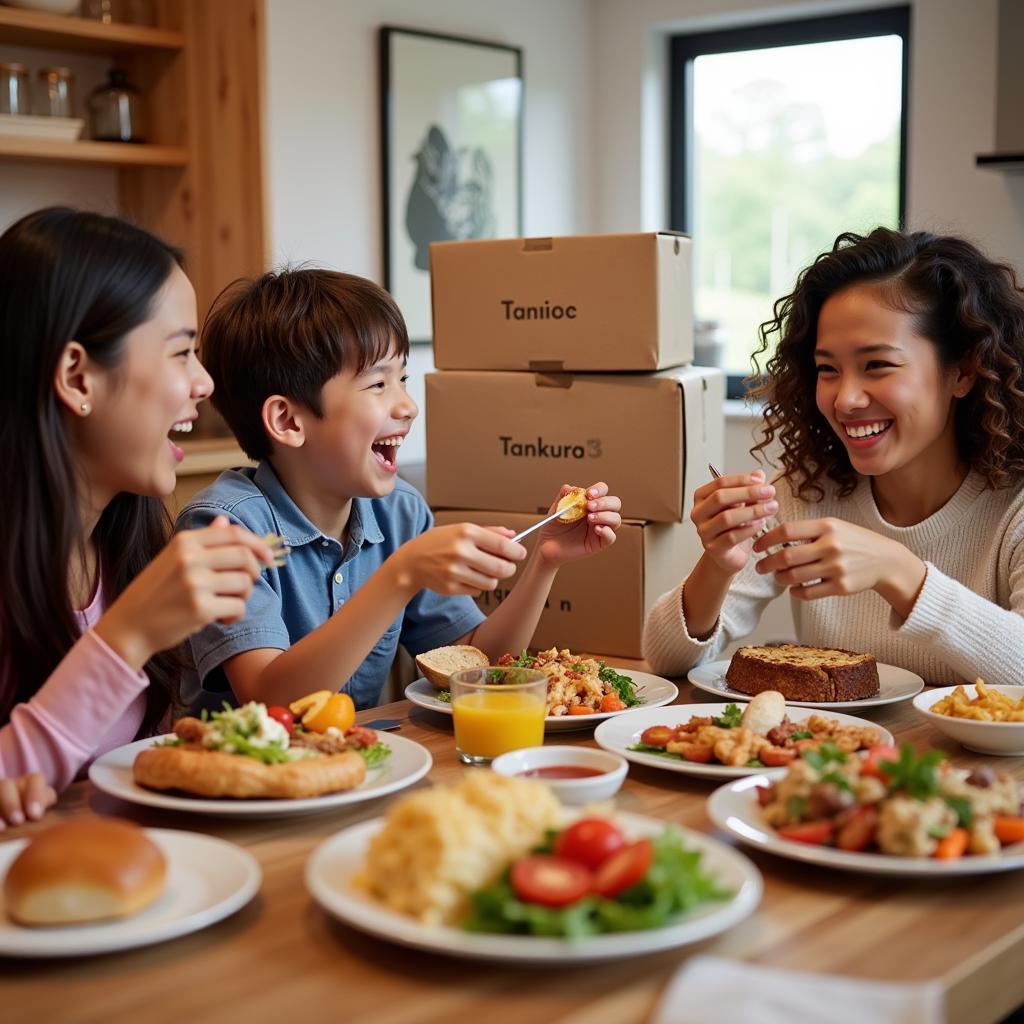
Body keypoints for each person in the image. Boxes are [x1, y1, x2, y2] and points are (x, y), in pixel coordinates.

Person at [177, 268, 622, 710]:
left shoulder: (398, 512)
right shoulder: (225, 527)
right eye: (377, 384)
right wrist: (400, 576)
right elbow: (270, 698)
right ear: (289, 421)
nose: (408, 406)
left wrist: (545, 563)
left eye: (403, 379)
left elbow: (478, 668)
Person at [643, 227, 1024, 686]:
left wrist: (899, 571)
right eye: (828, 370)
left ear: (962, 371)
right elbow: (665, 660)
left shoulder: (1014, 510)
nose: (845, 400)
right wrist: (718, 565)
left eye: (877, 365)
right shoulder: (805, 490)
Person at [0, 207, 276, 821]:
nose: (204, 384)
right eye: (181, 353)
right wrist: (127, 635)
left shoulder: (126, 545)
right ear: (77, 377)